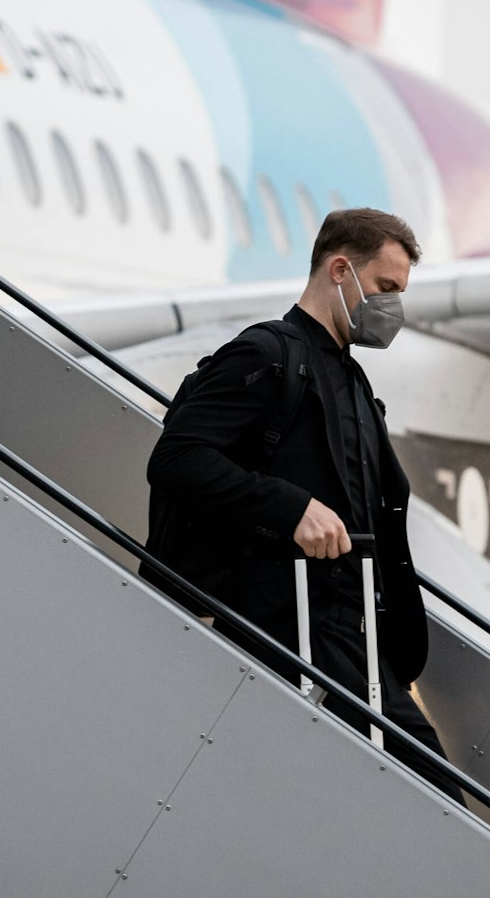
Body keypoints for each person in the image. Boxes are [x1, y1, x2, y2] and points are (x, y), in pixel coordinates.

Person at [145, 209, 456, 796]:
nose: (393, 308)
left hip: (348, 633)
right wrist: (290, 508)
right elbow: (177, 458)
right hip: (283, 626)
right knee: (429, 789)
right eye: (386, 288)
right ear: (341, 270)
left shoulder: (355, 383)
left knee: (426, 789)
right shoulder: (265, 354)